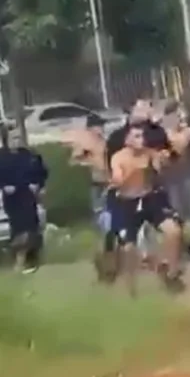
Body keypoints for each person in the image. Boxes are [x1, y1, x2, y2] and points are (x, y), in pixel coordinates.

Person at [108, 124, 186, 295]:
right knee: (129, 248)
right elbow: (117, 179)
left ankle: (171, 275)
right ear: (127, 140)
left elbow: (163, 164)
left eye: (142, 136)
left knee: (173, 231)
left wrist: (164, 160)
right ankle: (130, 288)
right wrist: (128, 175)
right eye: (136, 136)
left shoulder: (149, 153)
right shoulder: (118, 158)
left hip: (149, 199)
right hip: (127, 203)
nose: (141, 140)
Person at [0, 128, 48, 274]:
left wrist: (37, 184)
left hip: (28, 195)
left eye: (18, 138)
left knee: (32, 226)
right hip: (12, 198)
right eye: (13, 138)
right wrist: (2, 188)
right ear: (6, 140)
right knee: (19, 229)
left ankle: (33, 260)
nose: (17, 141)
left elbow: (41, 172)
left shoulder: (28, 155)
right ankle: (19, 259)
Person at [65, 115, 119, 280]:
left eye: (102, 126)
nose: (101, 129)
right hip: (97, 187)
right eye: (98, 126)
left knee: (112, 226)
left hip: (110, 185)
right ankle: (102, 267)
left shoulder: (105, 142)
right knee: (104, 226)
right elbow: (73, 161)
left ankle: (110, 265)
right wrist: (88, 160)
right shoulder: (86, 144)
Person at [160, 102, 190, 240]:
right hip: (171, 181)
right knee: (177, 213)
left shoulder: (188, 131)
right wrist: (184, 134)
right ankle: (181, 247)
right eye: (178, 114)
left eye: (182, 114)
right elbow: (178, 147)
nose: (182, 117)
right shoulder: (162, 132)